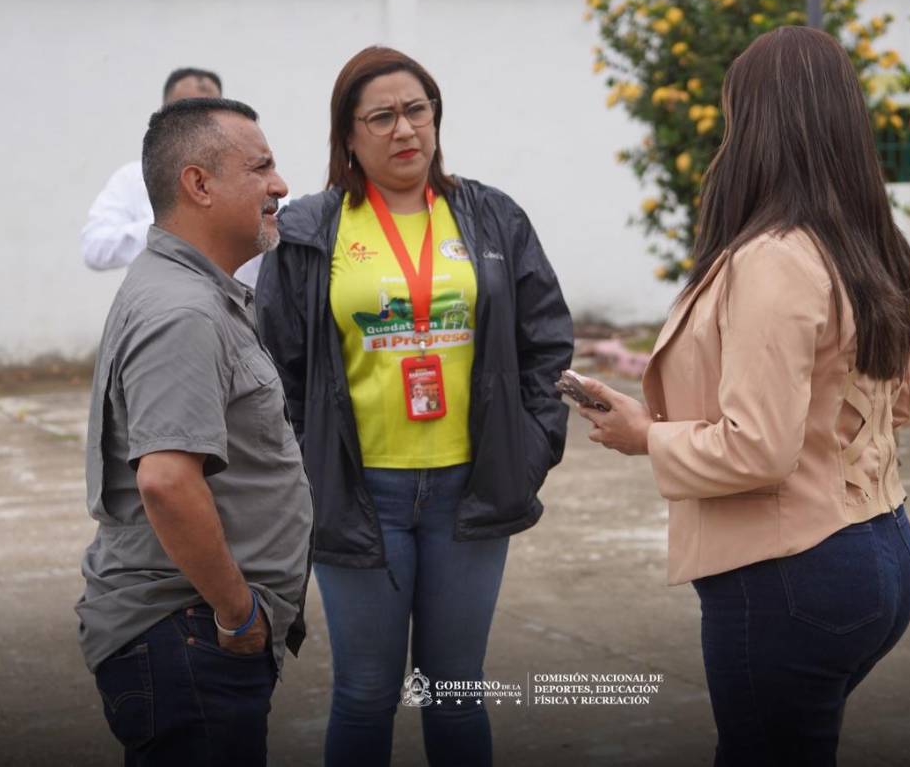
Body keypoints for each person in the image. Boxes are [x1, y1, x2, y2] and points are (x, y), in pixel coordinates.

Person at [575, 26, 910, 766]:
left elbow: (758, 447)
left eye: (735, 117)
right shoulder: (872, 243)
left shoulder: (775, 259)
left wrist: (647, 435)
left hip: (790, 572)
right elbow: (901, 404)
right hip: (882, 548)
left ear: (758, 125)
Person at [255, 46, 573, 767]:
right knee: (365, 693)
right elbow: (275, 370)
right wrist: (307, 473)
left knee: (454, 691)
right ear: (348, 136)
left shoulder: (491, 217)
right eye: (383, 116)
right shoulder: (309, 230)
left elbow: (546, 343)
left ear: (436, 118)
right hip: (360, 494)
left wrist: (527, 453)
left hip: (472, 488)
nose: (405, 130)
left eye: (417, 110)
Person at [76, 97, 311, 766]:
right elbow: (167, 480)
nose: (280, 185)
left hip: (187, 634)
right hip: (189, 636)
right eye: (261, 166)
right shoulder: (183, 310)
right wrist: (239, 614)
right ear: (198, 184)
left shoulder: (191, 291)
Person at [79, 67, 263, 285]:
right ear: (163, 115)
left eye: (209, 113)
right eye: (187, 111)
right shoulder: (131, 178)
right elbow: (94, 247)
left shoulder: (252, 173)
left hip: (240, 312)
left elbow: (281, 236)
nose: (198, 122)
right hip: (162, 308)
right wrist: (170, 225)